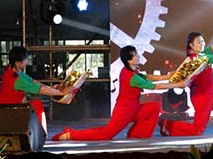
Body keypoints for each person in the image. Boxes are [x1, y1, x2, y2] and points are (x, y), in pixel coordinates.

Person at [52, 45, 186, 141]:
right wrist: (177, 84)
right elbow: (156, 86)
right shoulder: (130, 76)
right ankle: (71, 134)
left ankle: (137, 135)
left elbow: (148, 77)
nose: (138, 56)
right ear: (130, 60)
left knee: (153, 107)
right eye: (136, 55)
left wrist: (168, 76)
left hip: (134, 108)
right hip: (124, 110)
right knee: (106, 134)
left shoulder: (132, 71)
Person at [0, 46, 71, 148]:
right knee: (36, 105)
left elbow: (34, 82)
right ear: (18, 63)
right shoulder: (17, 79)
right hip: (9, 110)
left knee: (35, 104)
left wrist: (53, 89)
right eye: (26, 59)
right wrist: (61, 93)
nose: (27, 61)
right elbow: (41, 90)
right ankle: (40, 137)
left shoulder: (14, 72)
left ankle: (40, 135)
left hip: (11, 107)